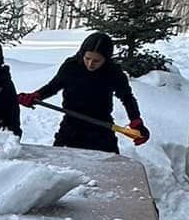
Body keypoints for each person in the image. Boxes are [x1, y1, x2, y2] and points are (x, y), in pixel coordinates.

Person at [18, 31, 149, 153]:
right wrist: (35, 96)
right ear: (82, 53)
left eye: (97, 61)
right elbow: (53, 86)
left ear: (106, 59)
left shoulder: (113, 73)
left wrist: (136, 121)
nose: (91, 64)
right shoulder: (71, 66)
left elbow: (127, 98)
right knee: (61, 167)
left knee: (108, 169)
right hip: (71, 126)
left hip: (101, 128)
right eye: (88, 58)